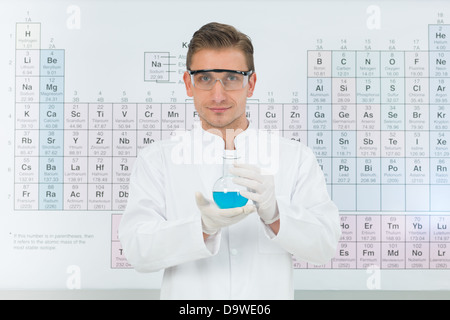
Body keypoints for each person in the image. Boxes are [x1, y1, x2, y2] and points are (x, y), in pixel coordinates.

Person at [119, 22, 341, 300]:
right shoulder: (158, 160)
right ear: (189, 84)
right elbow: (138, 251)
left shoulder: (294, 157)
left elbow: (325, 246)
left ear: (252, 83)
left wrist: (276, 215)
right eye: (205, 78)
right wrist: (201, 227)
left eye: (232, 78)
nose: (218, 95)